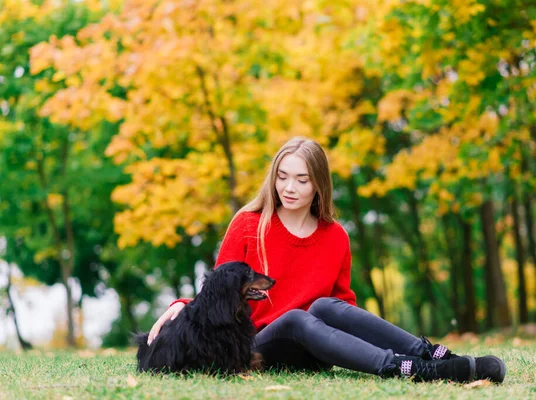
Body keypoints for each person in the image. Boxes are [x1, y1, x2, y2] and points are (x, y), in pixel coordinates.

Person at [148, 137, 506, 383]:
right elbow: (218, 290)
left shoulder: (336, 236)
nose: (289, 188)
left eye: (302, 180)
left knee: (322, 305)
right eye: (282, 177)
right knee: (294, 319)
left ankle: (433, 355)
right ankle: (408, 369)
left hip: (315, 350)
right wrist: (179, 305)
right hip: (258, 344)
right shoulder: (248, 224)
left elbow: (343, 307)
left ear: (319, 185)